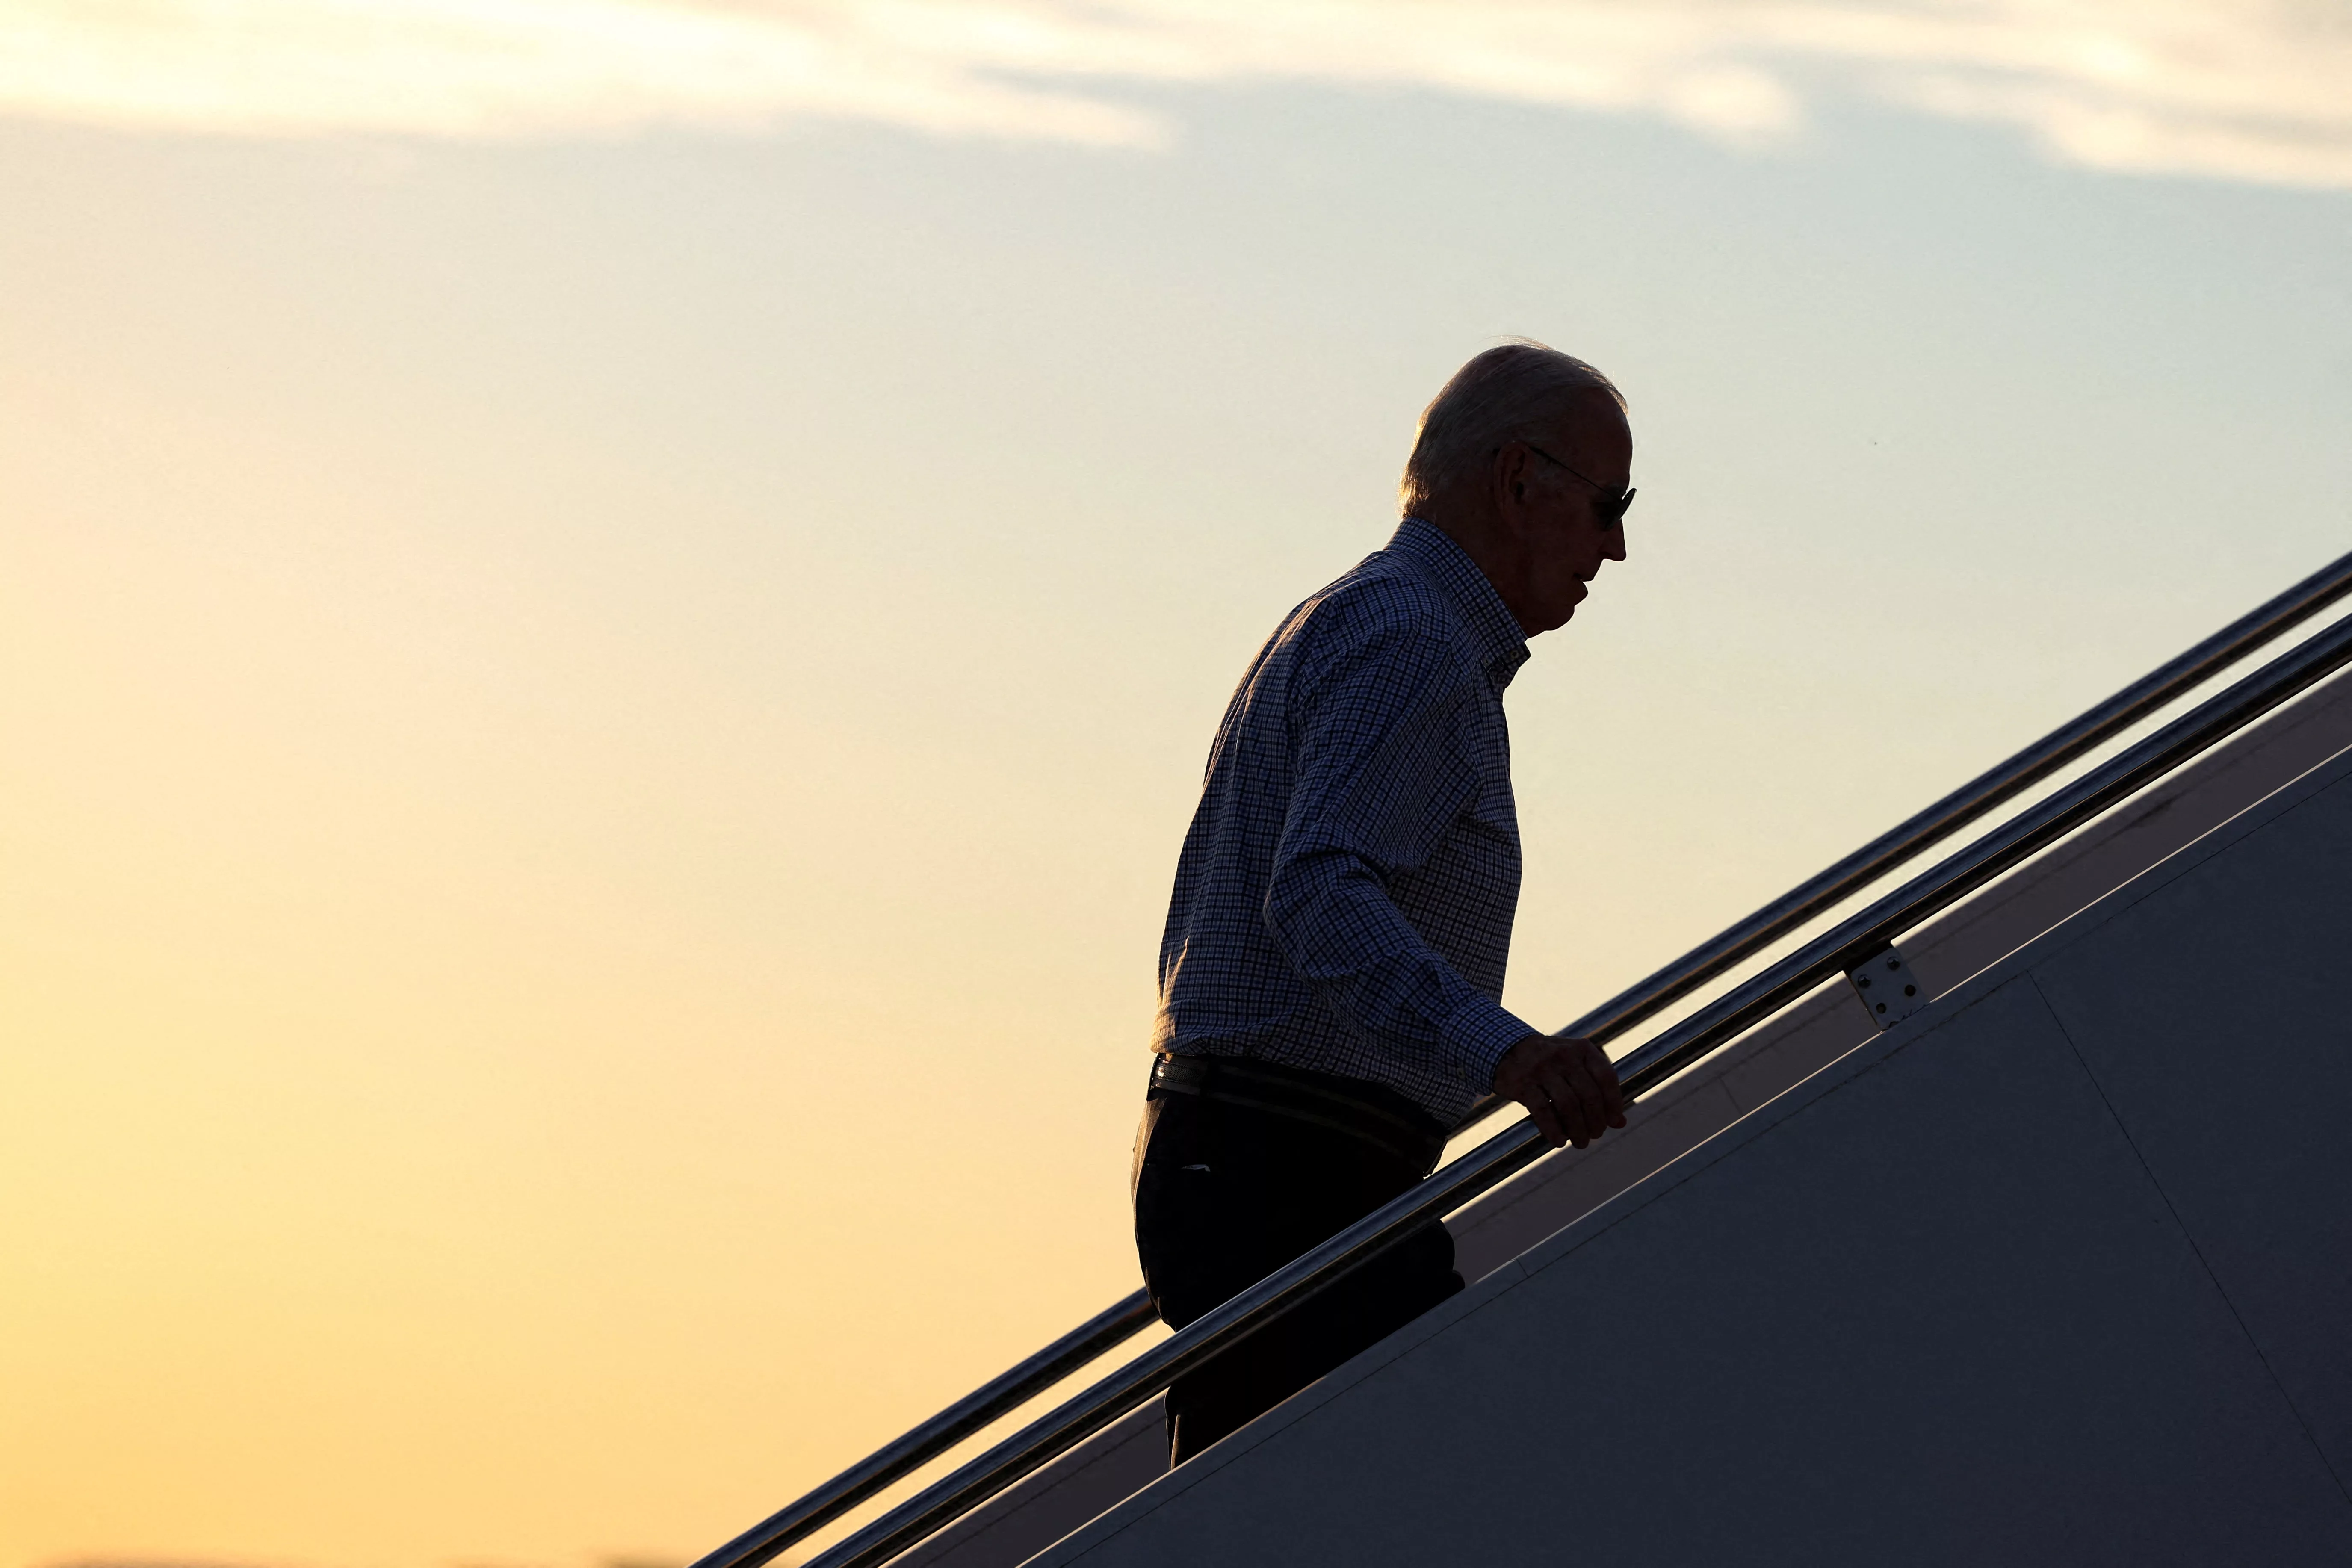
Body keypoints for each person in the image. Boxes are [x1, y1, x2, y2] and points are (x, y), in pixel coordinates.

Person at [1132, 341, 1635, 1466]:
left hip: (1261, 1160)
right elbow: (1317, 893)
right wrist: (1505, 1057)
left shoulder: (1356, 618)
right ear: (1518, 483)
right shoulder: (1412, 641)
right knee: (1434, 1484)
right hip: (1295, 1167)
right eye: (1608, 504)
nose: (1614, 544)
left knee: (1303, 1506)